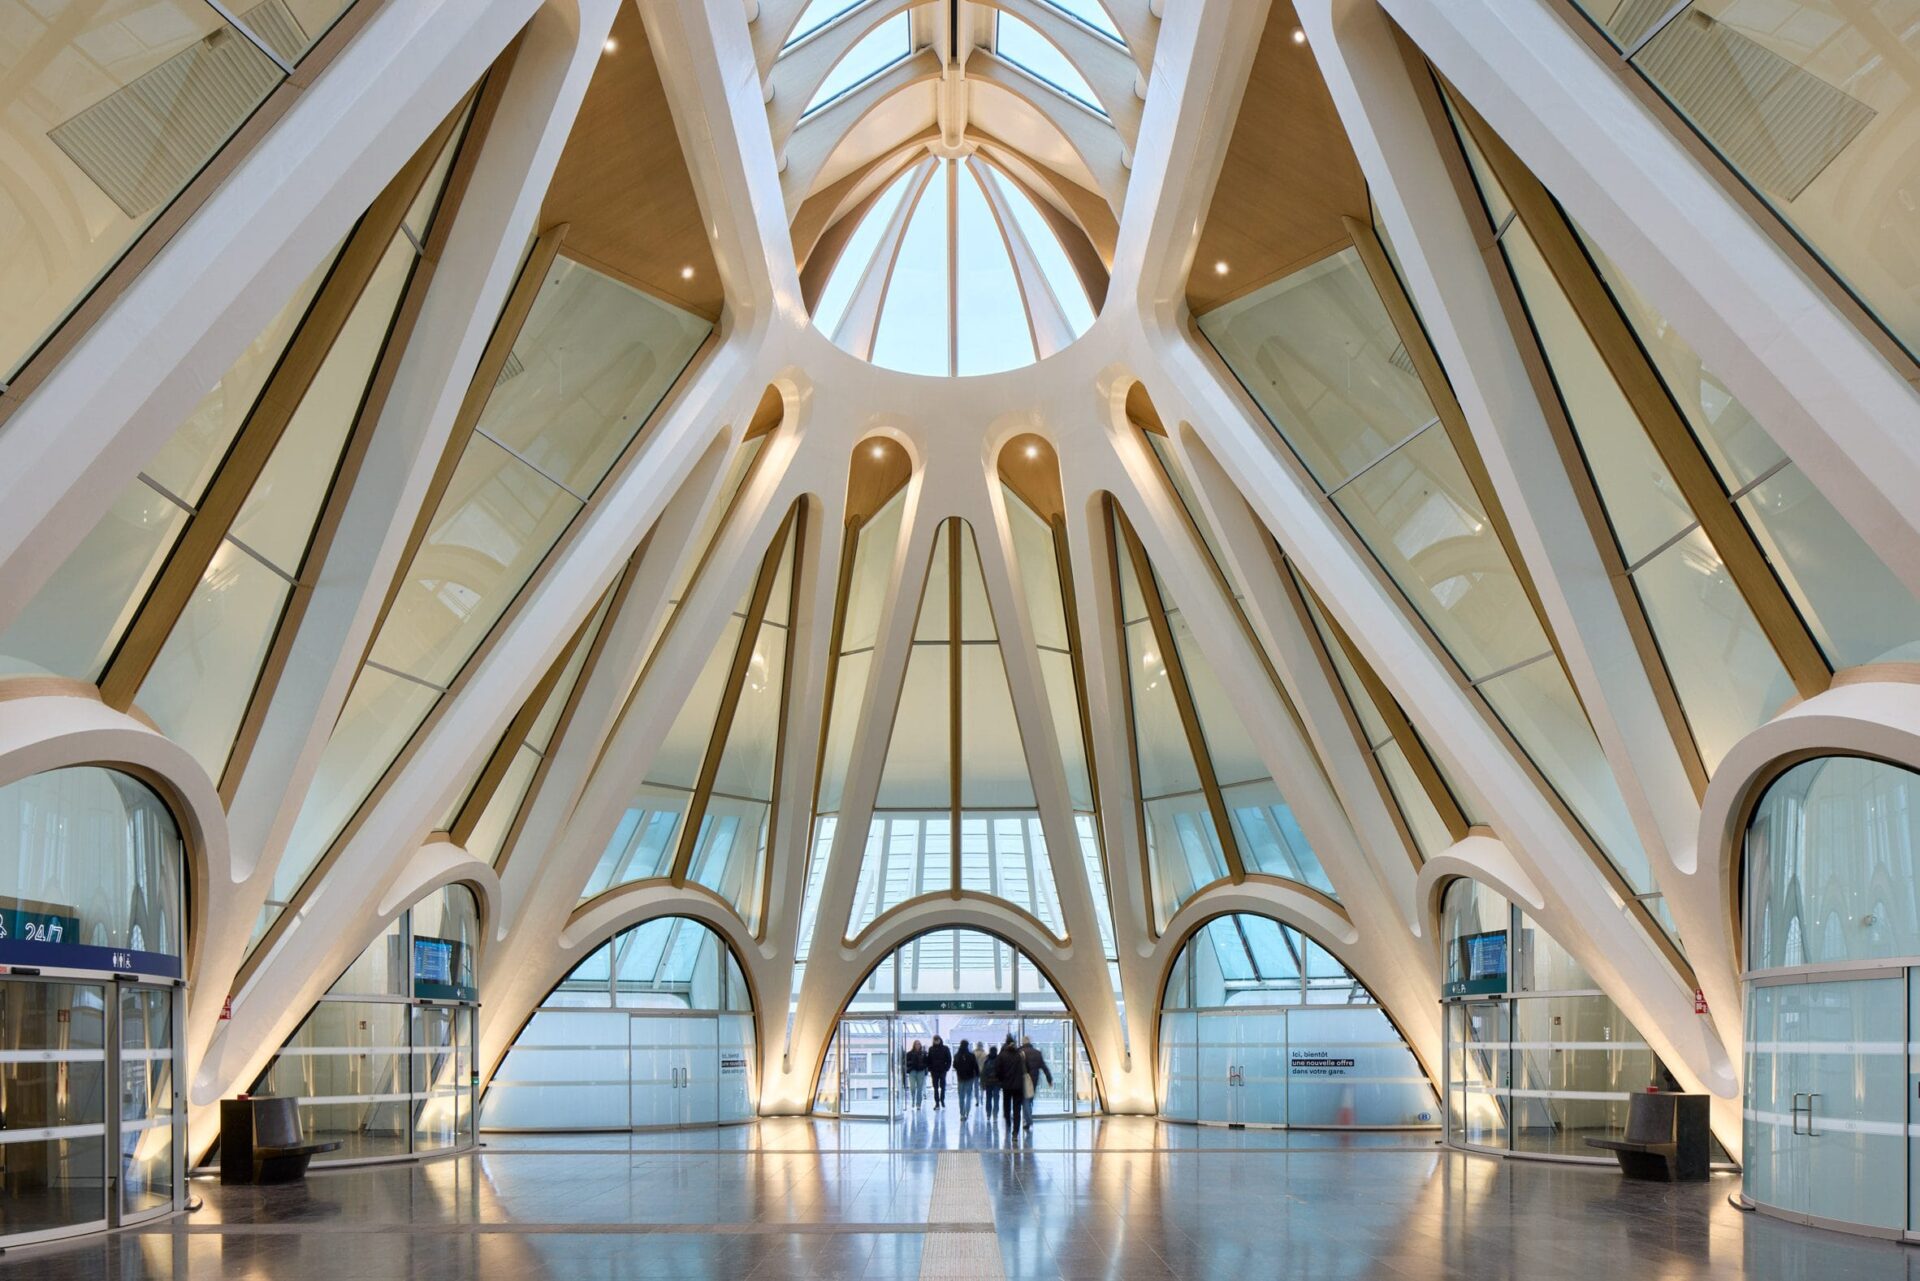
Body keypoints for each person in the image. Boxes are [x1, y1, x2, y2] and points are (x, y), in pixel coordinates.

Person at [1019, 1035, 1053, 1133]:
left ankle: (1028, 1120)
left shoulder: (1020, 1052)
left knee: (1025, 1100)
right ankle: (1027, 1119)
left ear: (1023, 1042)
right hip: (1034, 1080)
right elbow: (1044, 1067)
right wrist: (1049, 1079)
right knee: (1030, 1099)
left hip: (1023, 1079)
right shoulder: (1037, 1053)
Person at [994, 1035, 1026, 1133]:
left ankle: (1008, 1122)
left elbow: (997, 1070)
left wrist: (1001, 1080)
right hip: (1018, 1086)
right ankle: (1015, 1132)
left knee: (1006, 1106)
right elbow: (1025, 1069)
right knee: (1017, 1109)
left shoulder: (1002, 1056)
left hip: (1006, 1086)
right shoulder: (1020, 1055)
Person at [954, 1038, 978, 1119]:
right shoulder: (971, 1055)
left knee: (961, 1096)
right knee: (968, 1095)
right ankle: (967, 1112)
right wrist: (977, 1074)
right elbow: (975, 1066)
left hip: (960, 1078)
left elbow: (954, 1066)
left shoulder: (957, 1055)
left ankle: (962, 1113)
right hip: (970, 1077)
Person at [927, 1035, 952, 1108]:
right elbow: (929, 1059)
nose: (936, 1041)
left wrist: (946, 1068)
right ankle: (937, 1102)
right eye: (935, 1040)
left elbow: (949, 1059)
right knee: (935, 1087)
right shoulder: (931, 1049)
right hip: (934, 1071)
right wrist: (930, 1068)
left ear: (940, 1040)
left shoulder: (945, 1048)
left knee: (943, 1086)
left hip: (942, 1070)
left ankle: (942, 1100)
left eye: (937, 1040)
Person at [903, 1039, 928, 1110]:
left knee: (920, 1088)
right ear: (914, 1045)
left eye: (919, 1044)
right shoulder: (909, 1053)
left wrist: (923, 1066)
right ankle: (913, 1099)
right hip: (912, 1071)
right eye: (916, 1044)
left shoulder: (924, 1053)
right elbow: (905, 1062)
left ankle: (918, 1104)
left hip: (921, 1071)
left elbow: (927, 1062)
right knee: (912, 1087)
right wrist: (911, 1064)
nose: (918, 1045)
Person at [981, 1045, 1001, 1125]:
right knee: (996, 1099)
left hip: (988, 1083)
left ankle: (988, 1114)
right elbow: (1001, 1073)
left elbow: (983, 1073)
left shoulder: (987, 1061)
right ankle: (995, 1115)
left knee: (988, 1099)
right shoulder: (999, 1060)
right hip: (997, 1083)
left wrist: (983, 1083)